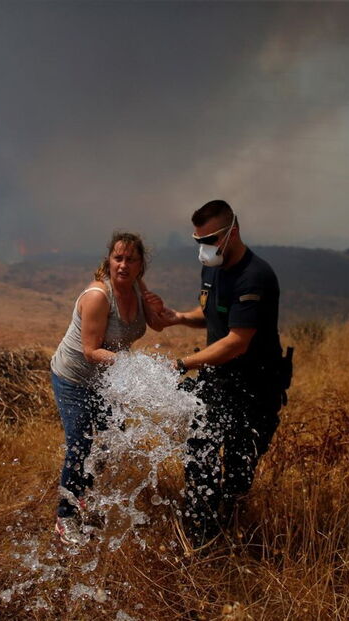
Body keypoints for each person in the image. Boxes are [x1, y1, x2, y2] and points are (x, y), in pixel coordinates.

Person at [147, 200, 286, 546]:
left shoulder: (256, 276)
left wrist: (181, 364)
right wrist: (179, 317)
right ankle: (200, 540)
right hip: (216, 382)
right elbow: (211, 315)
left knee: (238, 474)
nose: (203, 248)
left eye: (208, 240)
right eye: (198, 241)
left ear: (232, 233)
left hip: (253, 389)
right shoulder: (213, 268)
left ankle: (236, 536)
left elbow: (237, 342)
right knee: (199, 459)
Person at [49, 232, 163, 545]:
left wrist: (155, 303)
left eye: (131, 259)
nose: (123, 264)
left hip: (105, 378)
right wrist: (136, 368)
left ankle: (83, 490)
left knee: (117, 437)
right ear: (109, 260)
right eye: (118, 258)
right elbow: (90, 350)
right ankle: (65, 516)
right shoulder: (99, 296)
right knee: (79, 444)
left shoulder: (137, 290)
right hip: (73, 377)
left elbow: (158, 324)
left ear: (141, 265)